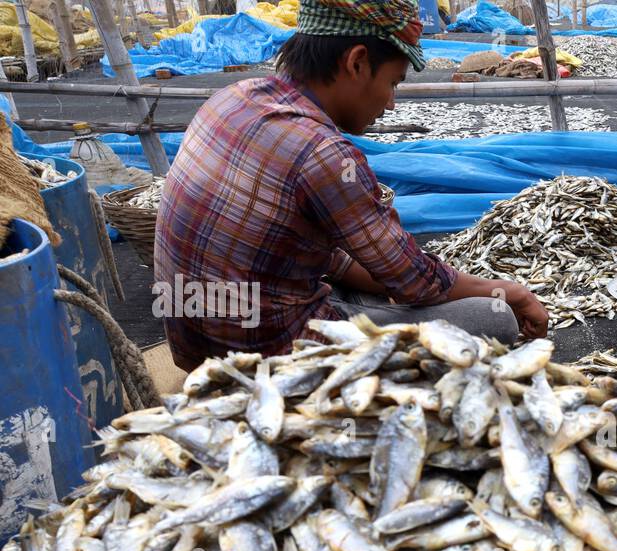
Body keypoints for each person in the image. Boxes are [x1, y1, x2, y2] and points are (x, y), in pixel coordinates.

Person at [155, 0, 548, 373]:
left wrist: (387, 273)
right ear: (357, 61)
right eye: (393, 83)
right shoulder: (324, 153)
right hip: (274, 355)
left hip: (196, 343)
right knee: (493, 316)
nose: (391, 103)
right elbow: (418, 283)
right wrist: (511, 292)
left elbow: (314, 251)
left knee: (375, 277)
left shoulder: (232, 97)